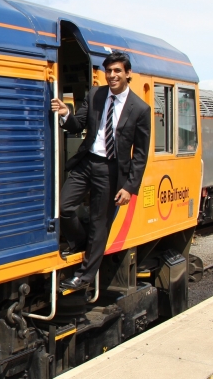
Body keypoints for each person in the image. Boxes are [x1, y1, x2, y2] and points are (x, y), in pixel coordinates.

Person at [51, 51, 151, 291]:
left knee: (100, 222)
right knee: (63, 207)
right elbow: (78, 125)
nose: (112, 75)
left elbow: (140, 155)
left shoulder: (140, 108)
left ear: (128, 74)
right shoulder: (96, 95)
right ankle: (81, 243)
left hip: (112, 169)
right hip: (87, 162)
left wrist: (129, 187)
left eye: (117, 71)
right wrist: (66, 114)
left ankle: (84, 276)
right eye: (109, 71)